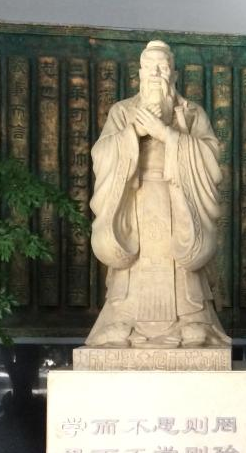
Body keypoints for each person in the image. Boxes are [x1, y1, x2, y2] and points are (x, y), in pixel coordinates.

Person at [86, 39, 229, 349]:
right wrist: (135, 132)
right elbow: (101, 154)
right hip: (134, 201)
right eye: (149, 67)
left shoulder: (192, 113)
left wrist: (167, 134)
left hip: (180, 200)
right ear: (139, 73)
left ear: (173, 75)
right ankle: (122, 320)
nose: (155, 73)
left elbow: (210, 156)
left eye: (162, 67)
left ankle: (192, 319)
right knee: (132, 269)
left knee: (183, 266)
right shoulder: (123, 111)